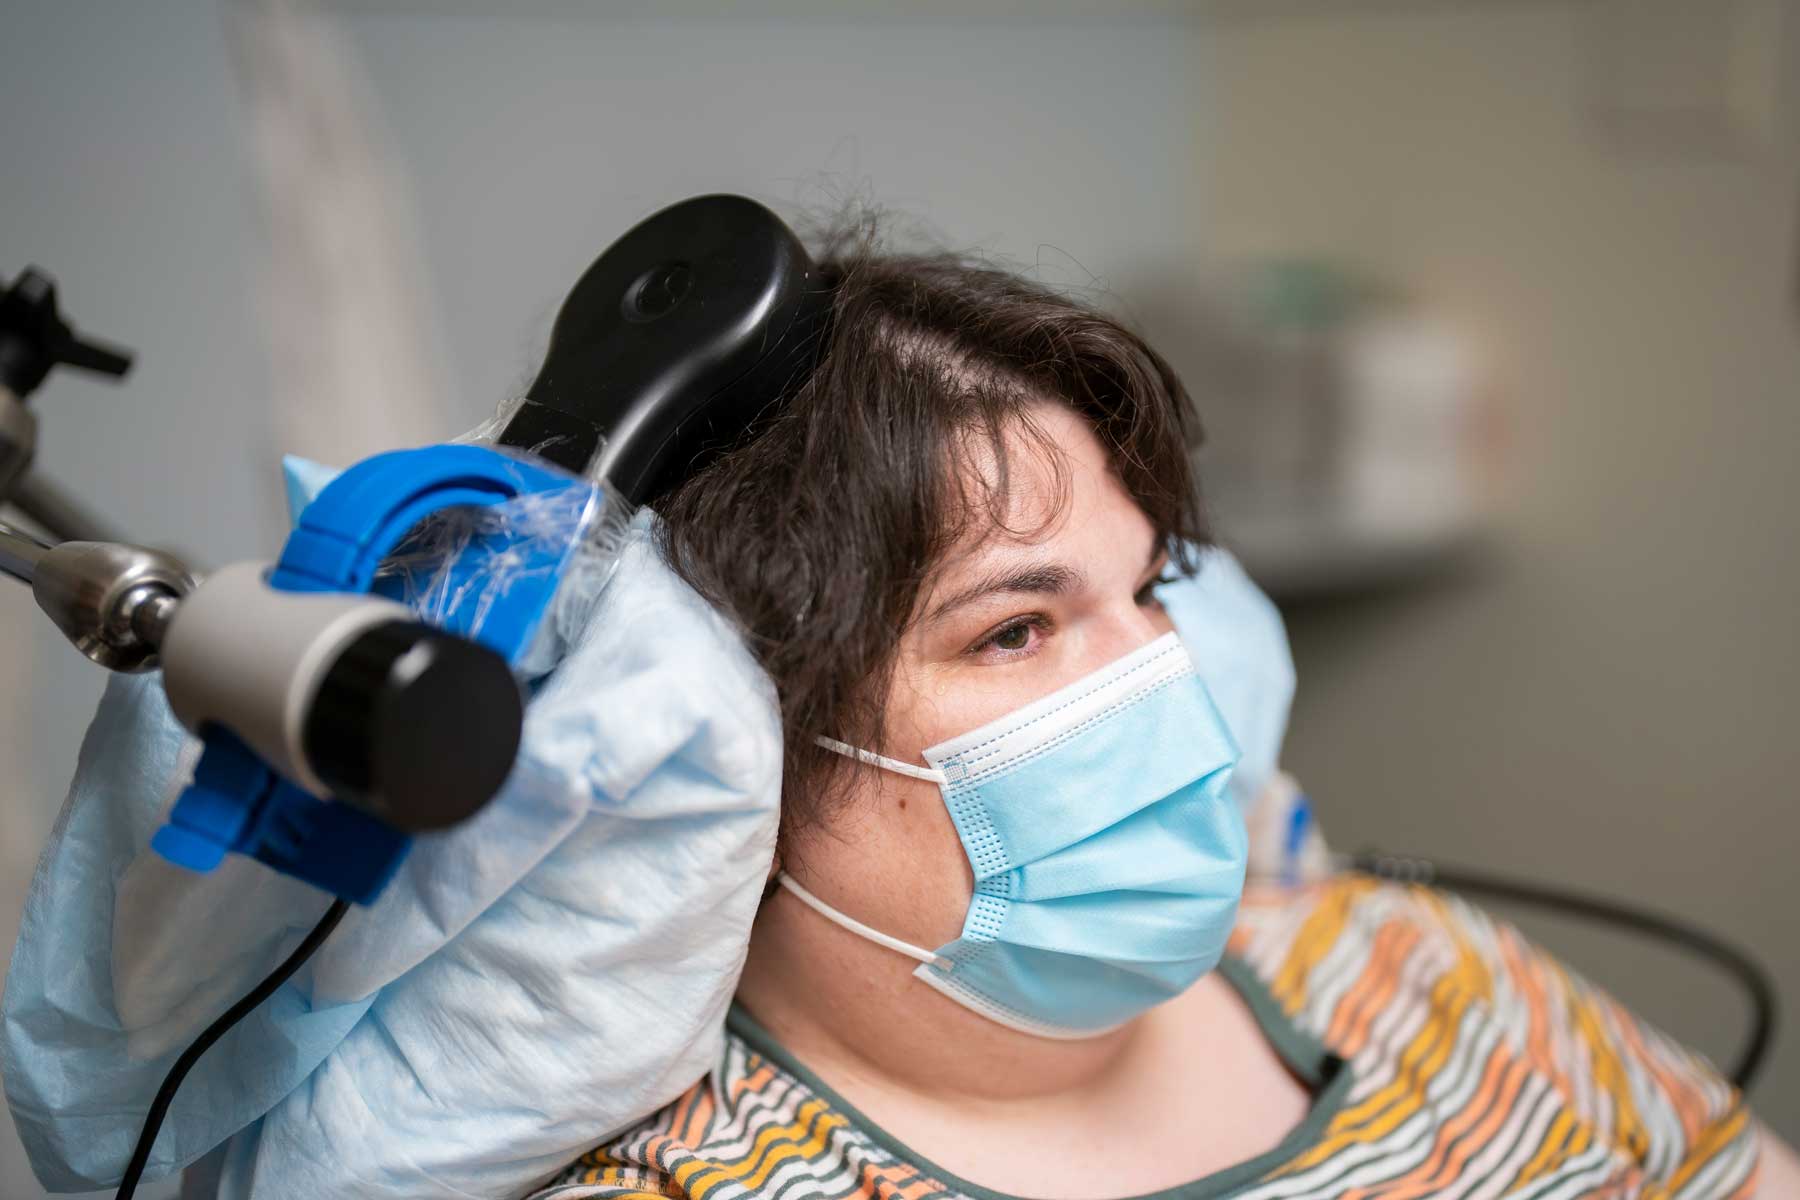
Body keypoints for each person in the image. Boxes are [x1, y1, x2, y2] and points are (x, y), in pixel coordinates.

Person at [527, 239, 1800, 1199]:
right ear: (739, 741)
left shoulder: (1425, 968)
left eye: (1148, 591)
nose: (1160, 680)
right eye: (1014, 628)